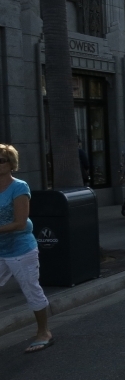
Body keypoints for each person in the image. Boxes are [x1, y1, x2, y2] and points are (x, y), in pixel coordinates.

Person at [0, 144, 53, 353]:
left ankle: (44, 332)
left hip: (20, 249)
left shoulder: (19, 187)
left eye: (1, 160)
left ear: (11, 164)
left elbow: (20, 223)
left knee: (31, 289)